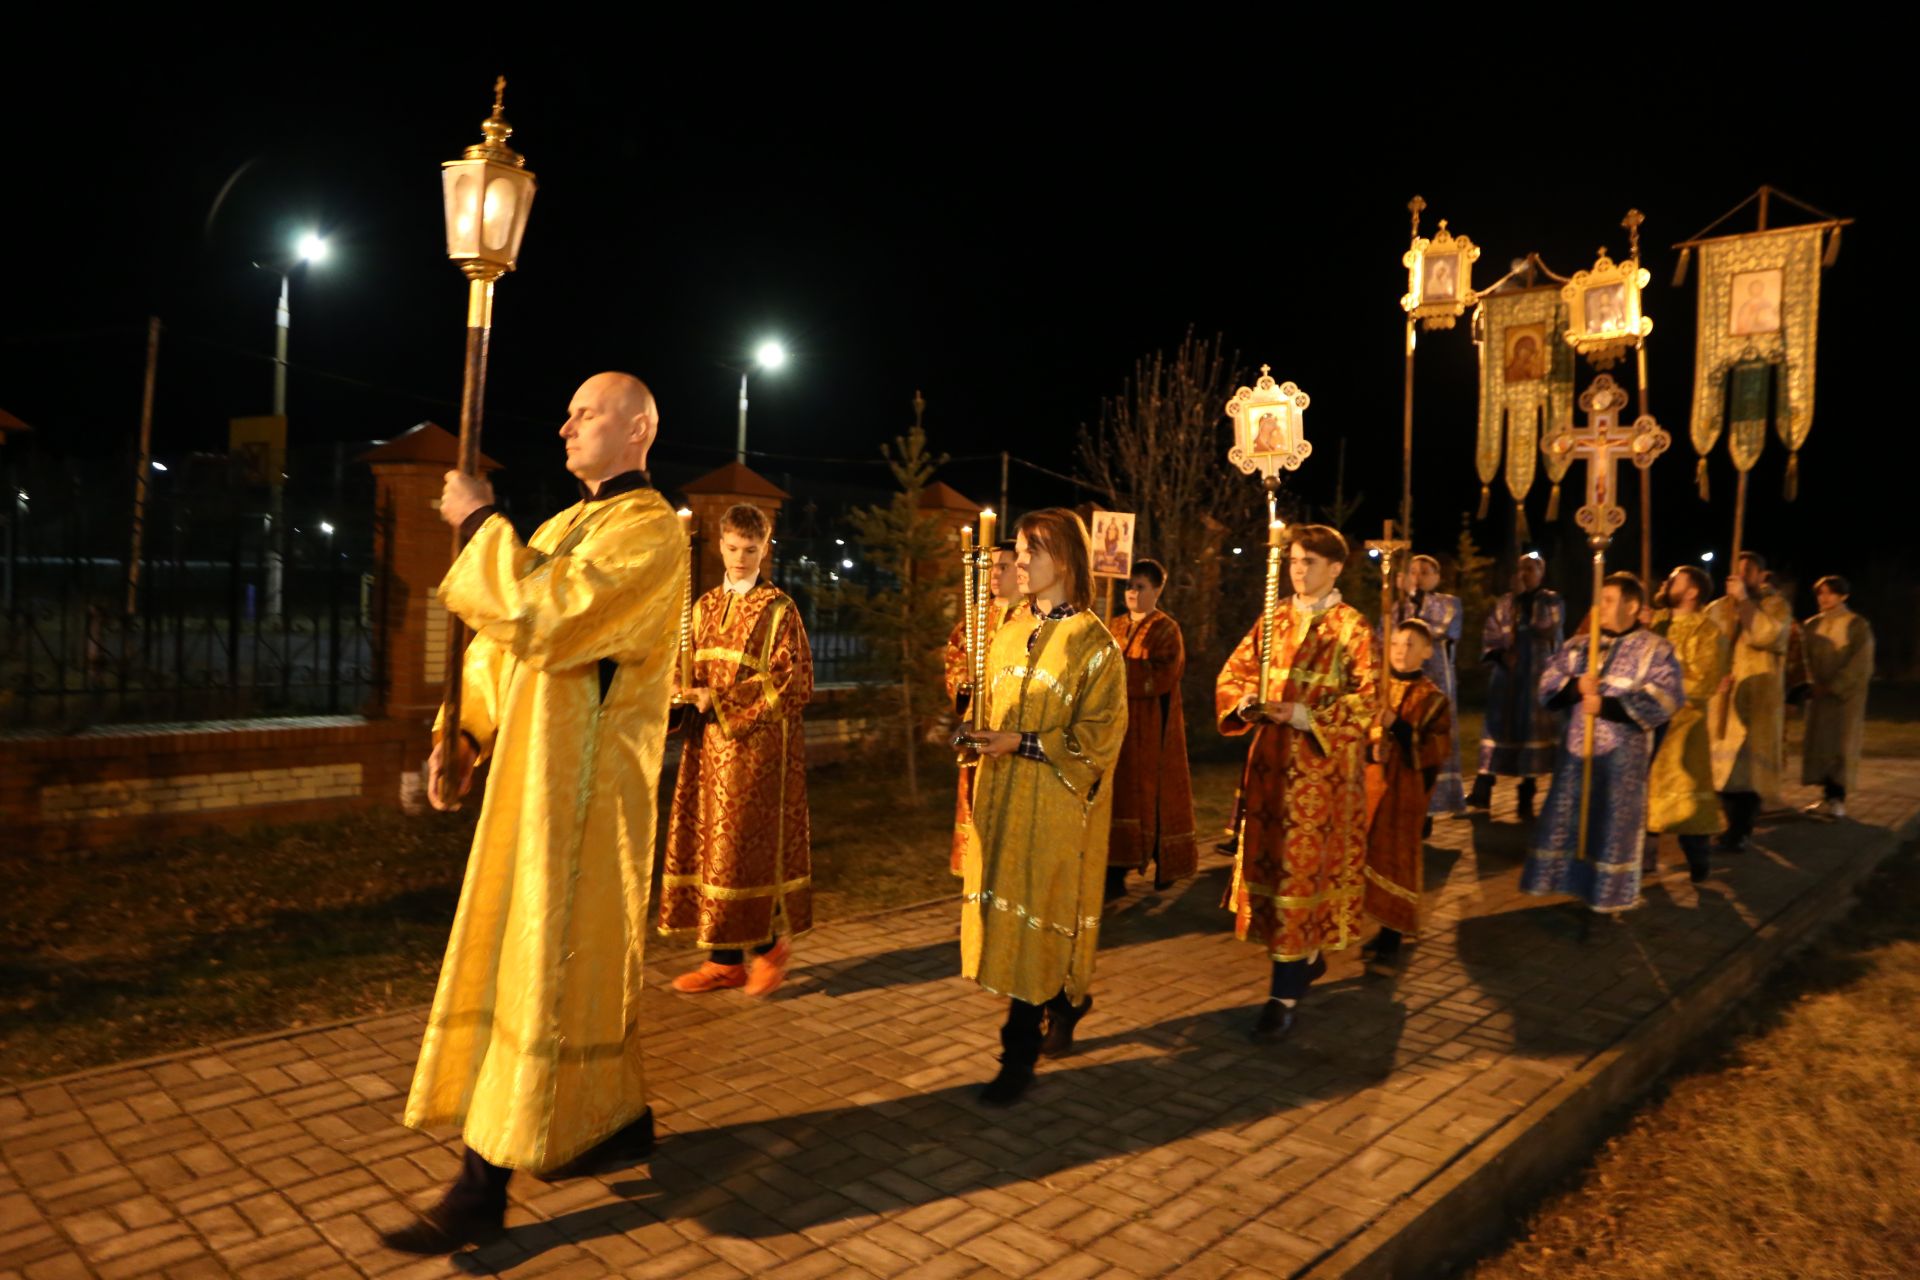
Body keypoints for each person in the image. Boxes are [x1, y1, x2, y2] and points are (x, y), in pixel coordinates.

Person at [385, 373, 683, 1253]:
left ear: (638, 431)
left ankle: (481, 1189)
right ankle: (615, 1120)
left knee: (543, 972)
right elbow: (495, 650)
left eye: (585, 413)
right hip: (528, 785)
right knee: (570, 971)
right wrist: (462, 737)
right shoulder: (558, 528)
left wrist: (480, 526)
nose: (564, 425)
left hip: (588, 800)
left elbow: (552, 617)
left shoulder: (651, 531)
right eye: (567, 411)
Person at [958, 508, 1126, 1104]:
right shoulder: (1006, 626)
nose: (1019, 562)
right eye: (1019, 552)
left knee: (1038, 914)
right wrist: (972, 726)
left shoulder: (1094, 643)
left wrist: (1024, 743)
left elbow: (1101, 736)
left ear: (1062, 559)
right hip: (1002, 798)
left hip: (1055, 803)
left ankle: (1017, 1055)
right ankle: (1065, 998)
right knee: (1014, 916)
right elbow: (994, 703)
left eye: (1030, 552)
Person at [1215, 524, 1375, 1042]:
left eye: (1309, 562)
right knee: (1274, 881)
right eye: (1293, 561)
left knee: (1301, 881)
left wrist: (1305, 714)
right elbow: (1235, 673)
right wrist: (1245, 703)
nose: (1298, 570)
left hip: (1318, 778)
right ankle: (1304, 958)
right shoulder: (1275, 617)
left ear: (1335, 568)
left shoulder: (1353, 628)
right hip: (1268, 773)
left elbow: (1367, 701)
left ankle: (1282, 995)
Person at [659, 503, 812, 997]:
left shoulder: (778, 610)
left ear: (766, 548)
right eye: (732, 548)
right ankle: (724, 962)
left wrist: (720, 699)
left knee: (743, 853)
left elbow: (795, 682)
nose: (741, 558)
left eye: (751, 549)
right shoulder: (700, 607)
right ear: (719, 545)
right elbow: (682, 672)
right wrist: (677, 696)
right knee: (708, 851)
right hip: (705, 751)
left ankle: (768, 947)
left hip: (756, 754)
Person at [1522, 573, 1682, 919]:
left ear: (1633, 605)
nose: (1600, 608)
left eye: (1609, 600)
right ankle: (1567, 883)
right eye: (1600, 599)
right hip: (1574, 758)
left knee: (1611, 826)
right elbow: (1547, 685)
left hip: (1622, 763)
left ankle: (1608, 894)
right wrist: (1576, 687)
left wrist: (1609, 707)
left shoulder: (1655, 649)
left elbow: (1667, 697)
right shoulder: (1578, 646)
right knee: (1569, 822)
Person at [1361, 618, 1453, 965]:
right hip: (1371, 786)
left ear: (1427, 651)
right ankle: (1377, 923)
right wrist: (1372, 747)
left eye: (1410, 645)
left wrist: (1397, 727)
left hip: (1406, 791)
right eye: (1396, 645)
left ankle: (1393, 934)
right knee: (1367, 855)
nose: (1401, 652)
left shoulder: (1433, 699)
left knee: (1395, 860)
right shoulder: (1376, 689)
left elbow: (1437, 748)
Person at [1105, 558, 1198, 899]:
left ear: (1157, 590)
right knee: (1116, 797)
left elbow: (1164, 673)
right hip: (1115, 728)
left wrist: (1117, 676)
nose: (1132, 592)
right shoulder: (1112, 625)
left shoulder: (1166, 629)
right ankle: (1114, 871)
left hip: (1150, 728)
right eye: (1129, 586)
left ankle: (1162, 857)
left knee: (1149, 795)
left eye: (1140, 586)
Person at [944, 539, 1022, 873]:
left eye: (1004, 565)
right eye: (990, 565)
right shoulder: (978, 618)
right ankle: (976, 884)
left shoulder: (1029, 621)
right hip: (977, 729)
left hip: (1009, 735)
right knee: (976, 809)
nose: (994, 573)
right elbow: (955, 659)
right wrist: (966, 689)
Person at [1468, 552, 1565, 820]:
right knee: (1497, 725)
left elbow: (1548, 627)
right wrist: (1499, 654)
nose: (1524, 573)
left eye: (1530, 569)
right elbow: (1492, 631)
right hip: (1507, 675)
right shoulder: (1506, 602)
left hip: (1535, 673)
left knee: (1530, 730)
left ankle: (1527, 793)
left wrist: (1524, 602)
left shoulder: (1550, 600)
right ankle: (1482, 788)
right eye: (1520, 568)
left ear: (1540, 573)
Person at [1706, 551, 1791, 851]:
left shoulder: (1775, 605)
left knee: (1747, 774)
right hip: (1723, 699)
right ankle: (1730, 825)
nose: (1742, 577)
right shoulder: (1717, 607)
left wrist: (1744, 602)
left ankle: (1740, 831)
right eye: (1737, 572)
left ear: (1760, 575)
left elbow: (1769, 636)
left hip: (1757, 699)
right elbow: (1704, 643)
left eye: (1748, 572)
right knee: (1722, 771)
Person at [1648, 565, 1729, 882]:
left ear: (1693, 592)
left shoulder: (1709, 632)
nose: (1667, 581)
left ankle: (1698, 860)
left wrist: (1663, 681)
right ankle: (1643, 860)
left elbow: (1706, 682)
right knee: (1644, 798)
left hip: (1684, 727)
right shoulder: (1655, 622)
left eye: (1675, 579)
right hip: (1647, 722)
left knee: (1686, 800)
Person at [1395, 554, 1465, 819]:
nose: (1418, 577)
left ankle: (1433, 803)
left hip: (1436, 675)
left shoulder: (1448, 604)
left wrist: (1412, 599)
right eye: (1413, 572)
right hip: (1404, 676)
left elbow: (1437, 630)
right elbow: (1387, 632)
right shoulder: (1399, 604)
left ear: (1436, 577)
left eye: (1425, 572)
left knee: (1432, 734)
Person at [1801, 575, 1874, 819]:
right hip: (1819, 697)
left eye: (1831, 592)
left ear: (1843, 595)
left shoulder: (1857, 625)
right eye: (1821, 593)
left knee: (1841, 746)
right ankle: (1825, 797)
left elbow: (1861, 663)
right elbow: (1803, 659)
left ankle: (1838, 799)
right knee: (1821, 745)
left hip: (1844, 699)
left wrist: (1835, 686)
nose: (1825, 597)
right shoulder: (1811, 625)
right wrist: (1809, 684)